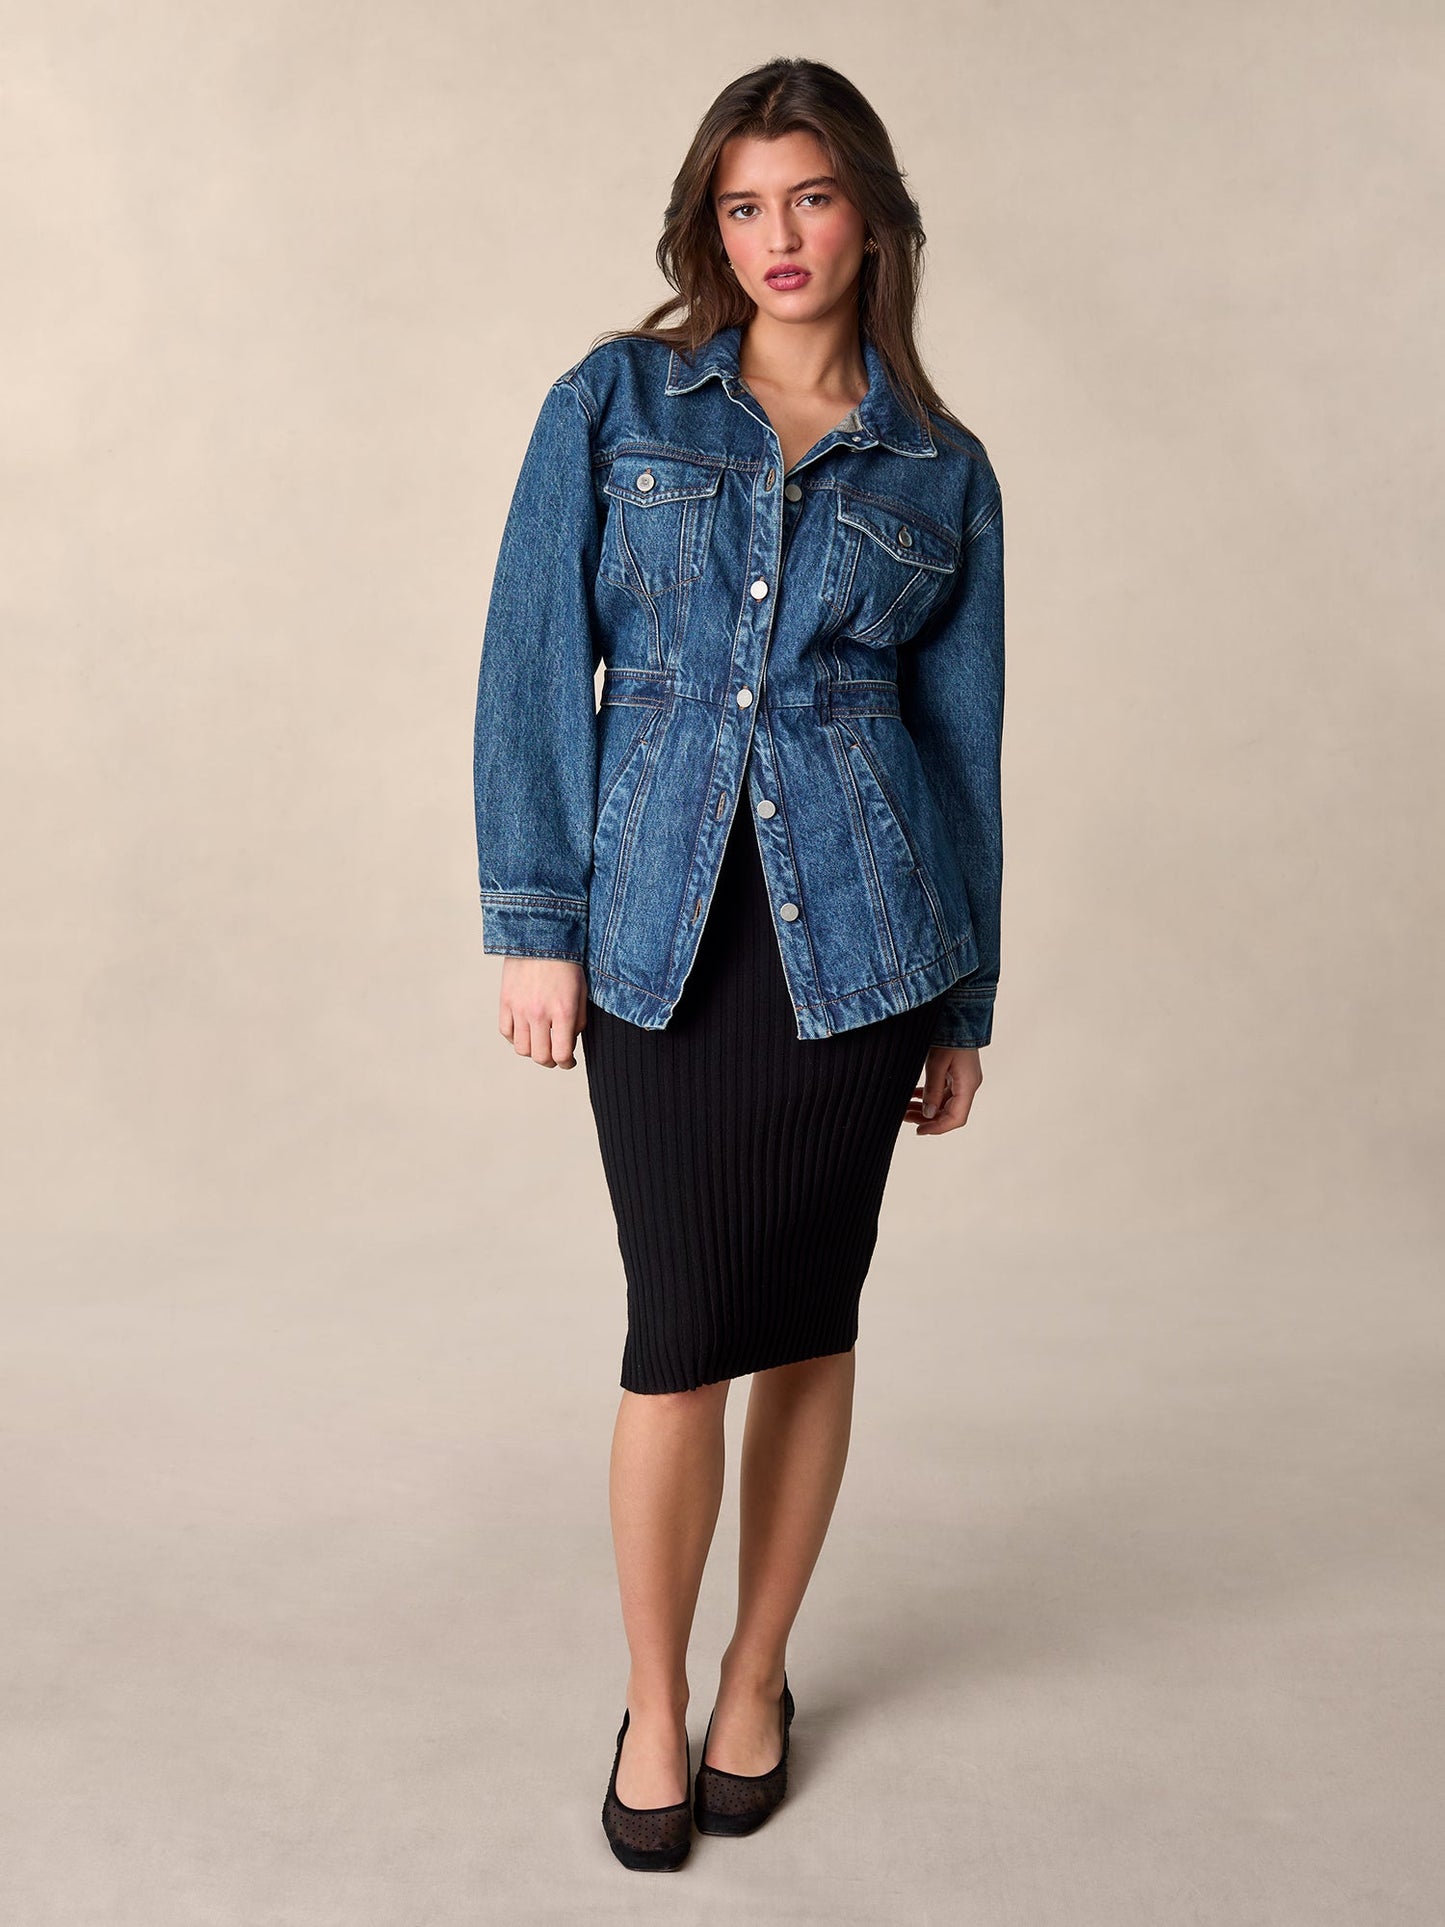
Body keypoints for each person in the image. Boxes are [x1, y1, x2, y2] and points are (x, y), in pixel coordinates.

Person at [472, 56, 1005, 1871]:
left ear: (872, 217)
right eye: (744, 204)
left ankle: (756, 1673)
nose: (779, 236)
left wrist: (962, 1005)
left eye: (812, 197)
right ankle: (652, 1695)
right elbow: (531, 665)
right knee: (682, 1327)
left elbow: (960, 748)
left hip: (865, 945)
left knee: (810, 1313)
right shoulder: (615, 401)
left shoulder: (939, 467)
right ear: (711, 226)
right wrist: (533, 925)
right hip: (657, 933)